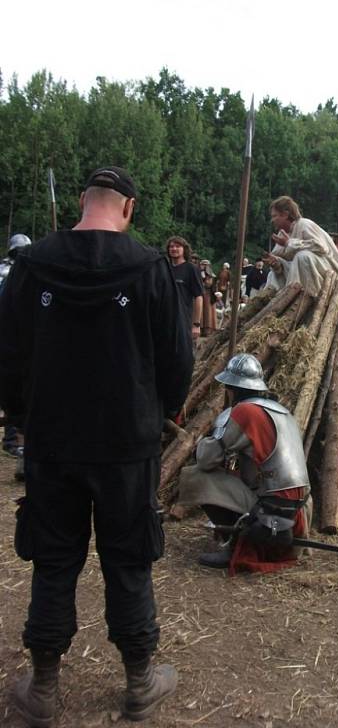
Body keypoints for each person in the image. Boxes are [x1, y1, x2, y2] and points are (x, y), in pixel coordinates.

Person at [0, 166, 194, 725]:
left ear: (82, 204)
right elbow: (178, 360)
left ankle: (42, 688)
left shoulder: (32, 264)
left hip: (53, 441)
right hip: (126, 443)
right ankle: (139, 682)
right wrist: (158, 415)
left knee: (53, 560)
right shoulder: (152, 268)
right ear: (128, 209)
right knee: (128, 558)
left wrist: (21, 420)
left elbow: (7, 353)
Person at [176, 353, 312, 575]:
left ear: (230, 389)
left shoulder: (244, 412)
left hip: (273, 508)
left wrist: (203, 442)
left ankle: (234, 544)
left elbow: (207, 460)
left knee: (196, 475)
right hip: (299, 508)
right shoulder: (282, 411)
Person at [264, 196, 338, 297]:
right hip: (307, 274)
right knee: (272, 274)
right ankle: (275, 302)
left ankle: (309, 298)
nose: (272, 220)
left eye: (275, 216)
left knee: (303, 257)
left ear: (285, 215)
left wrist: (289, 243)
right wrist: (276, 264)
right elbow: (286, 264)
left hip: (330, 273)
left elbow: (320, 247)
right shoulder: (282, 234)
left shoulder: (304, 224)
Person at [1, 234, 32, 472]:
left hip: (23, 337)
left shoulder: (34, 272)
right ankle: (14, 440)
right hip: (11, 335)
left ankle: (19, 442)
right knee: (13, 386)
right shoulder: (6, 271)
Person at [166, 236, 204, 342]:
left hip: (184, 320)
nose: (174, 249)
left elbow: (199, 297)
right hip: (165, 320)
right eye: (171, 246)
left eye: (177, 246)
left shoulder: (191, 269)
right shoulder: (165, 268)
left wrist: (196, 324)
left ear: (184, 249)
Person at [198, 260, 217, 336]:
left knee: (208, 312)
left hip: (208, 295)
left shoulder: (211, 274)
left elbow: (209, 284)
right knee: (200, 312)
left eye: (206, 265)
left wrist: (205, 279)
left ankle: (208, 330)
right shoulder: (199, 272)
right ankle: (200, 329)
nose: (204, 266)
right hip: (200, 294)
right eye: (203, 265)